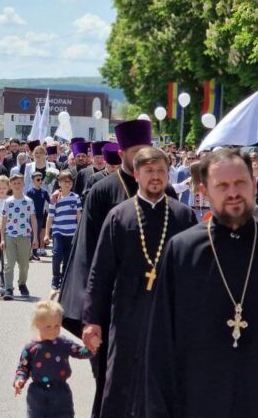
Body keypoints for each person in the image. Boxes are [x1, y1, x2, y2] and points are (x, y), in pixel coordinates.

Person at [144, 148, 258, 417]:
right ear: (205, 191)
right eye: (222, 185)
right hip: (199, 402)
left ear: (254, 186)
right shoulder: (182, 251)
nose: (233, 192)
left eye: (240, 183)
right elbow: (161, 342)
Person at [58, 119, 166, 418]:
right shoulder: (103, 192)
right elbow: (86, 254)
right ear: (122, 153)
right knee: (110, 383)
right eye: (135, 151)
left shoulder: (165, 193)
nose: (143, 158)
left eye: (146, 150)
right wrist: (89, 313)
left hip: (154, 306)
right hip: (112, 307)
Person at [81, 147, 194, 418]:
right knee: (120, 386)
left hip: (170, 320)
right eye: (149, 171)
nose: (156, 176)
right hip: (126, 317)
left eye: (161, 171)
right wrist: (92, 320)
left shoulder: (184, 216)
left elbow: (195, 274)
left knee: (166, 387)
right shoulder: (119, 216)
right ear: (136, 174)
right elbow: (100, 273)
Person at [13, 300, 92, 418]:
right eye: (48, 326)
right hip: (37, 394)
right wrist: (20, 380)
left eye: (57, 326)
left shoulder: (63, 343)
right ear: (37, 325)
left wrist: (91, 347)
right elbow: (23, 367)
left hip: (61, 392)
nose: (53, 330)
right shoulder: (31, 348)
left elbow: (79, 352)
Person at [1, 173, 39, 300]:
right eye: (14, 183)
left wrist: (35, 237)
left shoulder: (29, 201)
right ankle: (8, 288)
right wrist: (2, 238)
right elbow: (3, 221)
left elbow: (33, 219)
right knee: (9, 263)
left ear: (23, 184)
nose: (17, 185)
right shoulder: (7, 202)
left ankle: (22, 284)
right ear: (10, 185)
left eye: (19, 183)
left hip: (25, 235)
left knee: (24, 265)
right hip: (10, 235)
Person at [46, 171, 82, 291]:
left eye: (70, 182)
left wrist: (80, 231)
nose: (68, 184)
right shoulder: (55, 198)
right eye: (65, 182)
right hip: (58, 231)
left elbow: (79, 215)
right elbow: (50, 216)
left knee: (68, 257)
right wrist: (46, 234)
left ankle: (64, 278)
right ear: (59, 183)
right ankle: (55, 277)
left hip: (72, 232)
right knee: (56, 254)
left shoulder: (75, 197)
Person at [26, 170, 51, 261]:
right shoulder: (29, 192)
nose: (40, 181)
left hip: (40, 216)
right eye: (38, 179)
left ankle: (34, 252)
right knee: (30, 234)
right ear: (33, 180)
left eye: (41, 179)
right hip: (31, 216)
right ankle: (28, 252)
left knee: (37, 234)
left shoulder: (44, 192)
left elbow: (51, 201)